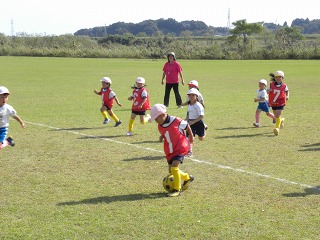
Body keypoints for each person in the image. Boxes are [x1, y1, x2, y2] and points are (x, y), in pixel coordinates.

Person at [149, 103, 194, 197]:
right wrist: (162, 136)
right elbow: (166, 132)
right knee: (171, 171)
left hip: (180, 147)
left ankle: (177, 190)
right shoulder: (160, 125)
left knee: (174, 168)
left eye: (156, 119)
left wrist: (191, 136)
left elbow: (187, 126)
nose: (156, 121)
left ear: (162, 115)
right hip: (169, 149)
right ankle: (187, 177)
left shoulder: (176, 121)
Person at [0, 86, 26, 150]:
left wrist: (21, 122)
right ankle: (8, 141)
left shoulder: (8, 108)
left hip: (3, 129)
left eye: (6, 97)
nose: (4, 99)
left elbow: (14, 115)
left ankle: (6, 141)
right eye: (2, 97)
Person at [268, 71, 289, 136]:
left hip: (281, 102)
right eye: (276, 77)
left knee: (277, 116)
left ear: (282, 78)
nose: (278, 78)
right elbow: (267, 91)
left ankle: (277, 129)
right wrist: (268, 91)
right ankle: (281, 120)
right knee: (276, 117)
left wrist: (287, 96)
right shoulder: (271, 85)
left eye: (279, 77)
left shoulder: (284, 85)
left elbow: (287, 91)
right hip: (273, 102)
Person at [185, 88, 206, 156]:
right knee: (189, 137)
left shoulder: (198, 105)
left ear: (196, 96)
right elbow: (188, 113)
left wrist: (193, 121)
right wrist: (186, 119)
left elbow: (201, 116)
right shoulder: (189, 104)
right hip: (190, 123)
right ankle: (189, 151)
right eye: (189, 95)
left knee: (201, 138)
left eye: (193, 95)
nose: (191, 97)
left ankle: (204, 128)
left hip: (198, 122)